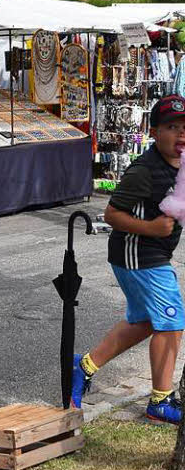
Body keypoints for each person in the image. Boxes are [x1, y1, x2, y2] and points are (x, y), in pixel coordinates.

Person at [71, 96, 185, 424]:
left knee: (148, 322)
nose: (180, 134)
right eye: (171, 127)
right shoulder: (144, 171)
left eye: (184, 128)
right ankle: (161, 401)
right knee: (172, 320)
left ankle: (85, 367)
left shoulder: (180, 163)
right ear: (153, 132)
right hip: (138, 255)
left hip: (154, 254)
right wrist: (150, 227)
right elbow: (111, 214)